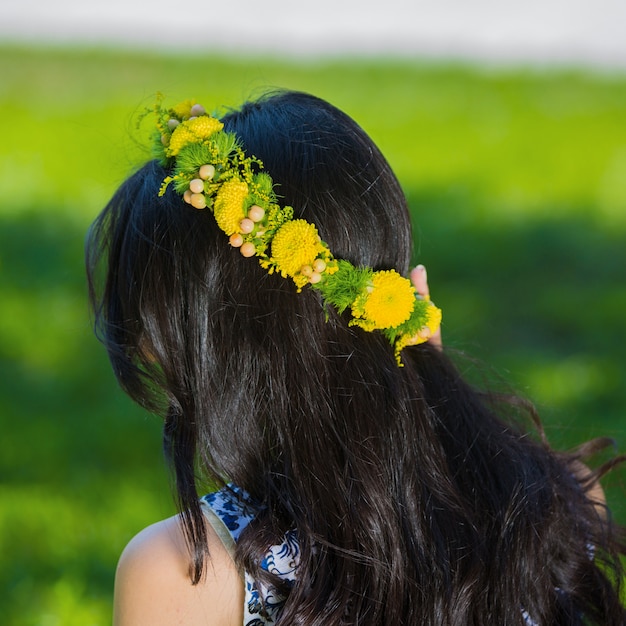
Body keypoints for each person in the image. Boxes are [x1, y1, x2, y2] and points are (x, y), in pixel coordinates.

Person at [86, 90, 625, 625]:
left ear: (222, 345)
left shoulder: (190, 573)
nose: (143, 348)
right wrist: (425, 392)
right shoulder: (559, 501)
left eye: (153, 323)